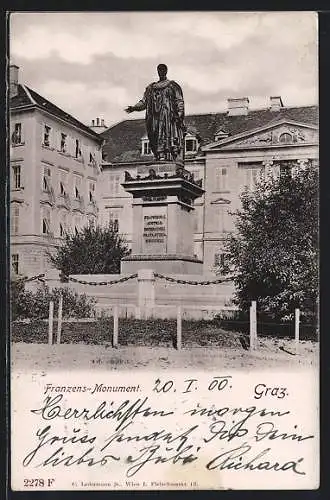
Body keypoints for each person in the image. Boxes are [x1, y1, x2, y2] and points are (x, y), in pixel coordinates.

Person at [125, 64, 186, 162]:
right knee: (155, 135)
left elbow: (179, 101)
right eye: (159, 70)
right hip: (154, 117)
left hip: (167, 116)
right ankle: (158, 154)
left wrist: (179, 114)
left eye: (163, 70)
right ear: (157, 72)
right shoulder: (151, 88)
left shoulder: (172, 86)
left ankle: (165, 154)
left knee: (166, 134)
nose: (161, 72)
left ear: (166, 71)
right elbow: (144, 102)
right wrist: (134, 108)